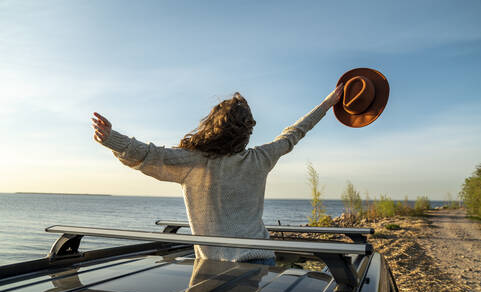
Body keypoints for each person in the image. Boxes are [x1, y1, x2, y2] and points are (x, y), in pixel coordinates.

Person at [91, 85, 343, 265]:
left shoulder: (194, 162)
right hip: (260, 259)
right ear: (246, 132)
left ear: (212, 127)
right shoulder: (260, 158)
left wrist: (112, 138)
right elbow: (294, 133)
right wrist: (329, 103)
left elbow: (148, 154)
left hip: (213, 266)